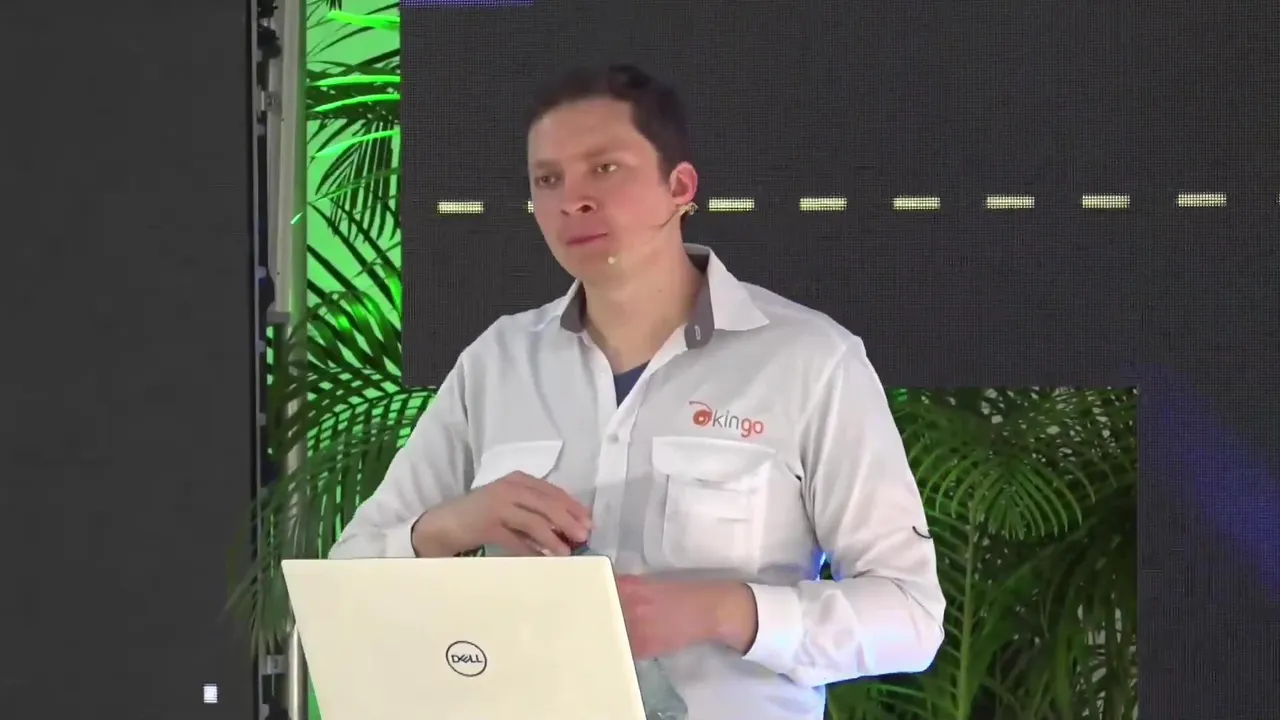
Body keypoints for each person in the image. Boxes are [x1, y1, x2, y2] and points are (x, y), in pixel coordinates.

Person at [329, 63, 945, 720]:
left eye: (605, 169)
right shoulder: (497, 362)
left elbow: (910, 616)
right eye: (547, 179)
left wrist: (725, 611)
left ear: (679, 187)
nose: (572, 200)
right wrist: (452, 526)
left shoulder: (810, 361)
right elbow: (348, 575)